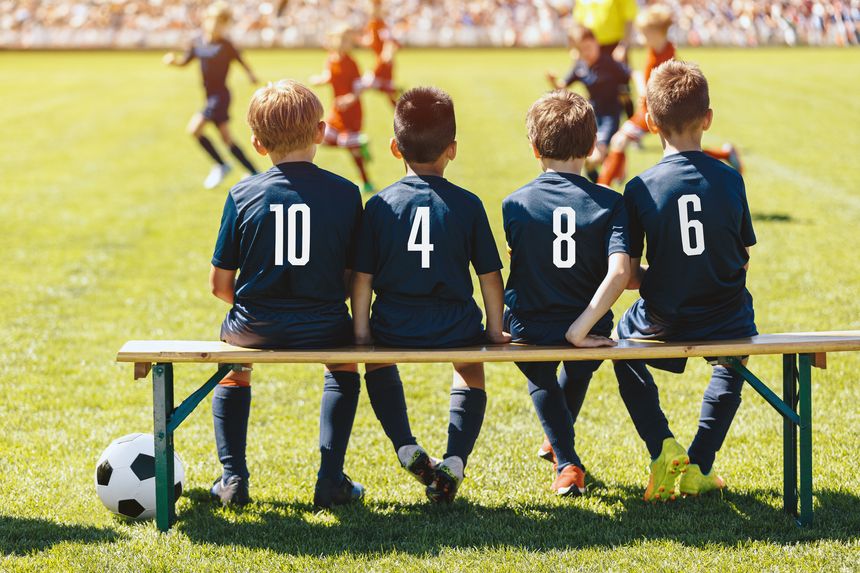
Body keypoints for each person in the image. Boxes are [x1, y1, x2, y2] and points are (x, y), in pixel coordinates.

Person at [208, 80, 366, 509]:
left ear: (257, 144)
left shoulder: (242, 194)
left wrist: (262, 303)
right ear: (320, 132)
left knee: (233, 366)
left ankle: (233, 478)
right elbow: (355, 277)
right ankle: (330, 480)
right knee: (343, 362)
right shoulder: (346, 193)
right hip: (326, 324)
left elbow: (219, 285)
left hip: (254, 326)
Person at [351, 87, 510, 503]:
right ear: (452, 149)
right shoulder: (468, 205)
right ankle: (454, 460)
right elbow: (490, 277)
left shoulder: (379, 205)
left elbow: (362, 278)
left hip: (392, 325)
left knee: (377, 363)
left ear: (394, 147)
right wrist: (494, 330)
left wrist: (363, 334)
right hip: (456, 326)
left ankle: (405, 445)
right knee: (470, 366)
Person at [613, 60, 758, 502]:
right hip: (725, 313)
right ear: (707, 119)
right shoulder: (730, 180)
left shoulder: (639, 187)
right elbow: (743, 258)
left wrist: (665, 275)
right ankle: (700, 463)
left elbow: (629, 275)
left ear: (651, 121)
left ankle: (662, 446)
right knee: (733, 356)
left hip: (665, 315)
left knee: (621, 344)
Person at [503, 90, 630, 496]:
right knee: (578, 363)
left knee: (540, 372)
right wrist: (580, 327)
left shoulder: (514, 203)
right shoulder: (611, 203)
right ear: (592, 147)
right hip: (589, 321)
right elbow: (620, 272)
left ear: (535, 148)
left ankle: (566, 459)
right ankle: (563, 451)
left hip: (531, 324)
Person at [598, 4, 743, 187]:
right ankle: (725, 153)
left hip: (657, 110)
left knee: (622, 141)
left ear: (656, 33)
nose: (641, 38)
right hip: (648, 109)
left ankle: (603, 187)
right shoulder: (656, 49)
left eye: (644, 34)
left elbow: (664, 88)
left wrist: (642, 86)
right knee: (682, 151)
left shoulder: (667, 57)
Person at [163, 2, 259, 189]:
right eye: (214, 22)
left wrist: (251, 75)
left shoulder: (226, 45)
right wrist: (174, 62)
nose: (217, 27)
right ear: (206, 21)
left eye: (221, 24)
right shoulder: (197, 42)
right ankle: (253, 172)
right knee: (227, 139)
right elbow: (185, 61)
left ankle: (222, 165)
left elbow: (241, 60)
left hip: (221, 97)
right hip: (209, 97)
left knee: (194, 129)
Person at [547, 27, 630, 182]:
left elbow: (629, 75)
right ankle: (604, 180)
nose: (586, 52)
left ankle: (614, 165)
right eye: (581, 49)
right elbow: (562, 87)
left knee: (595, 157)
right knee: (588, 162)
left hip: (610, 115)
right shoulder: (580, 66)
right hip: (591, 115)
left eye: (588, 47)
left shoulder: (609, 62)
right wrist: (553, 81)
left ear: (596, 43)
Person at [311, 25, 374, 193]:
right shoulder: (330, 59)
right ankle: (357, 142)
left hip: (352, 111)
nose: (345, 44)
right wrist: (319, 80)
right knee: (321, 138)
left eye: (347, 41)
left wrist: (350, 98)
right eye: (342, 40)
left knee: (352, 150)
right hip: (337, 110)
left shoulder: (351, 63)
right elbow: (328, 76)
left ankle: (366, 182)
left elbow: (359, 87)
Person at [362, 0, 401, 107]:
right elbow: (372, 41)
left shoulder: (380, 24)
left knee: (366, 83)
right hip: (381, 60)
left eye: (376, 7)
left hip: (384, 61)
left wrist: (387, 53)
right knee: (390, 95)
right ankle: (402, 106)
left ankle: (397, 93)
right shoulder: (372, 23)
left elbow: (389, 41)